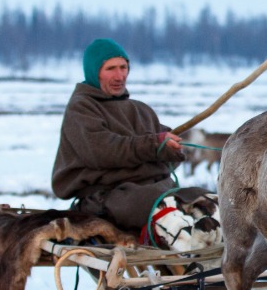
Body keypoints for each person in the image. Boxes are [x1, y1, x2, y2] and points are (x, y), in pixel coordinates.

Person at [51, 39, 214, 249]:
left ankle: (213, 251)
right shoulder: (81, 109)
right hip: (106, 198)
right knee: (156, 203)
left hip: (152, 189)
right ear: (94, 72)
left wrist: (171, 149)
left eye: (123, 67)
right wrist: (154, 144)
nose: (119, 76)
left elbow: (162, 150)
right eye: (110, 69)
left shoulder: (141, 110)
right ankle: (186, 247)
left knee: (205, 198)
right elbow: (104, 151)